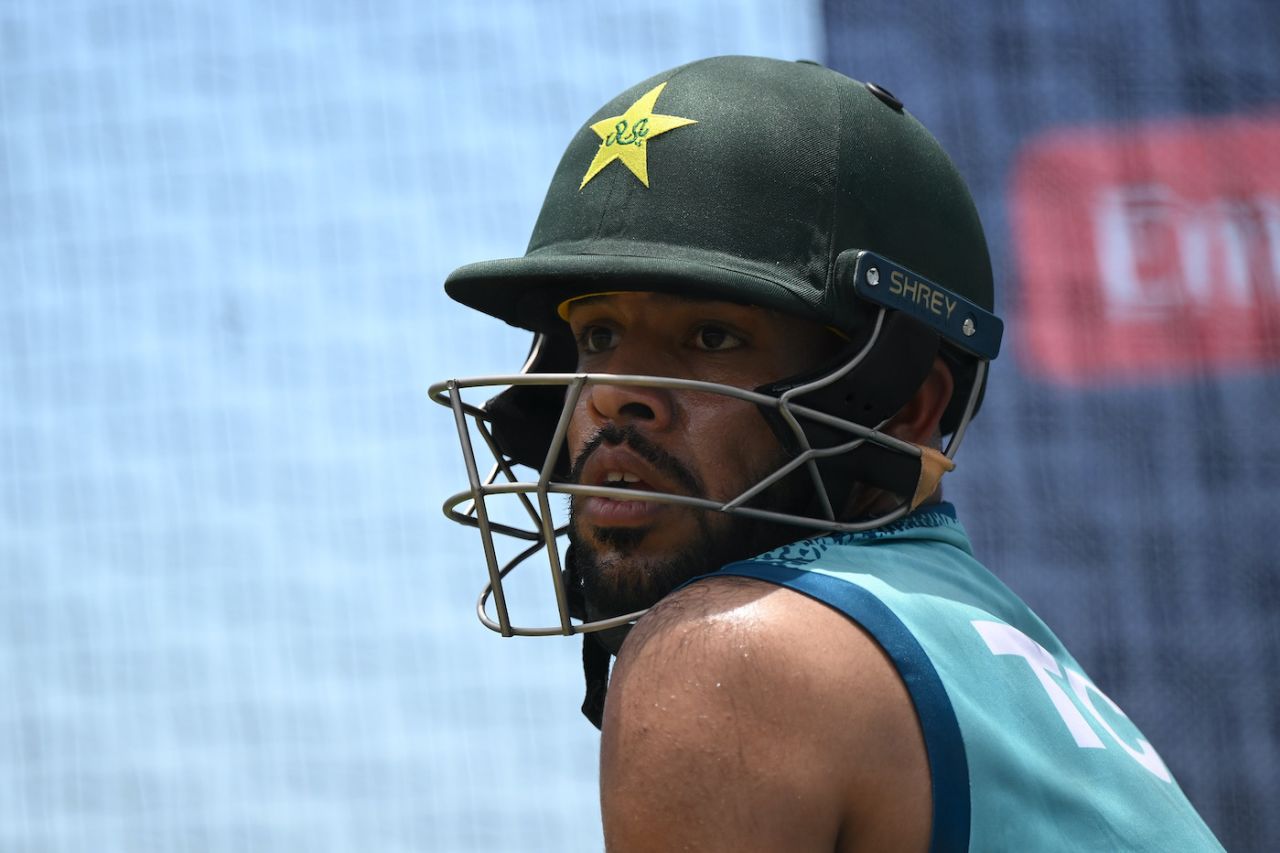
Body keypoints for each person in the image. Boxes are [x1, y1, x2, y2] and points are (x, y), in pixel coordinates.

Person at [432, 56, 1223, 851]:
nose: (611, 394)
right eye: (598, 333)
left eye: (712, 336)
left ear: (904, 405)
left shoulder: (730, 652)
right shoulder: (1007, 659)